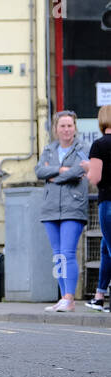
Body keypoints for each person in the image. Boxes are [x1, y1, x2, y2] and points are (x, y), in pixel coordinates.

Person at [34, 110, 89, 313]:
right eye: (62, 126)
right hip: (50, 208)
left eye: (70, 126)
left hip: (72, 207)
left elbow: (80, 170)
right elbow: (39, 171)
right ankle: (63, 297)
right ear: (56, 129)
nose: (66, 130)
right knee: (57, 255)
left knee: (67, 253)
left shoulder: (82, 148)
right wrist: (60, 170)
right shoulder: (49, 149)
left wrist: (54, 176)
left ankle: (69, 297)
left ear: (75, 128)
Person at [84, 105, 110, 311]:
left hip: (108, 201)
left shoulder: (99, 145)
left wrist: (87, 169)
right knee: (105, 248)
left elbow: (95, 177)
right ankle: (99, 295)